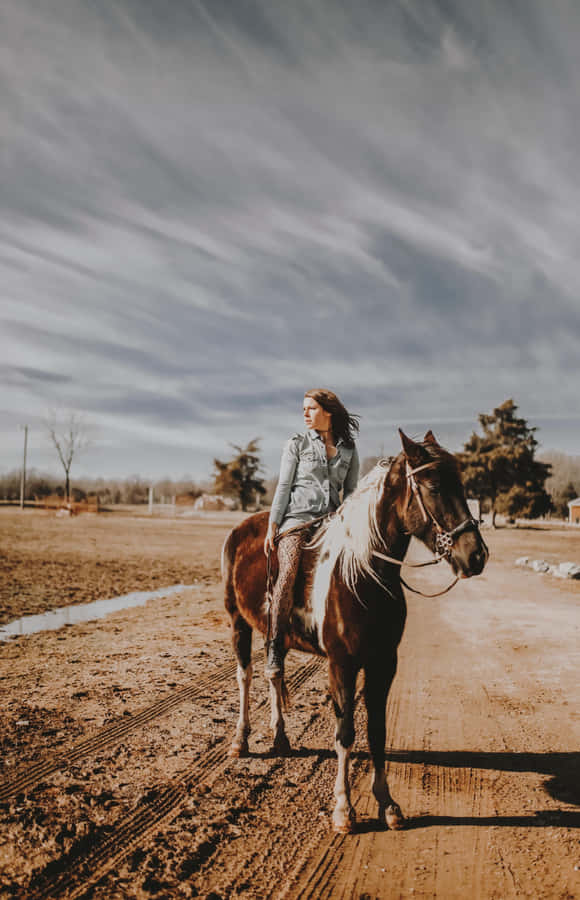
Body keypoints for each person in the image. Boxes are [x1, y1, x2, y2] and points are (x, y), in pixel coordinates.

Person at [264, 388, 360, 677]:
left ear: (328, 411)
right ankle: (275, 645)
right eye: (303, 409)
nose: (305, 414)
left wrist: (349, 525)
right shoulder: (297, 443)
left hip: (331, 523)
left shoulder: (349, 448)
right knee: (290, 569)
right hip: (296, 522)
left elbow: (352, 492)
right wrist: (273, 525)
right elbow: (284, 486)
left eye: (311, 408)